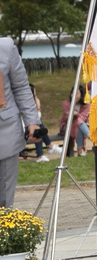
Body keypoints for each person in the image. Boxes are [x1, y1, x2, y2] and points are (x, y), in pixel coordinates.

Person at [0, 37, 41, 206]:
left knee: (4, 202)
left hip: (4, 135)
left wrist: (32, 121)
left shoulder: (5, 47)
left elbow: (21, 87)